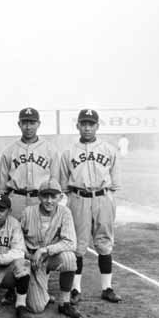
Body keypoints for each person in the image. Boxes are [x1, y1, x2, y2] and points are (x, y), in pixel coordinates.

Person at [60, 109, 122, 305]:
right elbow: (63, 185)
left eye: (91, 124)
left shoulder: (109, 150)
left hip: (103, 197)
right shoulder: (69, 152)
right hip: (79, 197)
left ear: (97, 126)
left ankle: (107, 288)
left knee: (104, 242)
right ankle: (76, 289)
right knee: (78, 244)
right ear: (77, 125)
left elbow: (115, 182)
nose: (87, 127)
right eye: (83, 123)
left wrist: (108, 199)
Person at [20, 178, 81, 318]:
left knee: (69, 258)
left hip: (49, 257)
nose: (49, 200)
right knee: (36, 307)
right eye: (45, 196)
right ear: (39, 196)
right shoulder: (28, 212)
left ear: (60, 197)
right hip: (32, 261)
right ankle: (37, 290)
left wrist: (45, 250)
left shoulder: (65, 212)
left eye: (53, 196)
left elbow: (71, 243)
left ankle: (65, 303)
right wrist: (28, 256)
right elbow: (17, 239)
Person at [0, 108, 59, 220]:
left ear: (38, 124)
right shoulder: (9, 151)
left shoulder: (50, 150)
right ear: (19, 124)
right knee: (15, 233)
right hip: (16, 198)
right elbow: (2, 188)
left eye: (32, 123)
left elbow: (55, 182)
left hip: (41, 198)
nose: (28, 127)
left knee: (41, 233)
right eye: (25, 123)